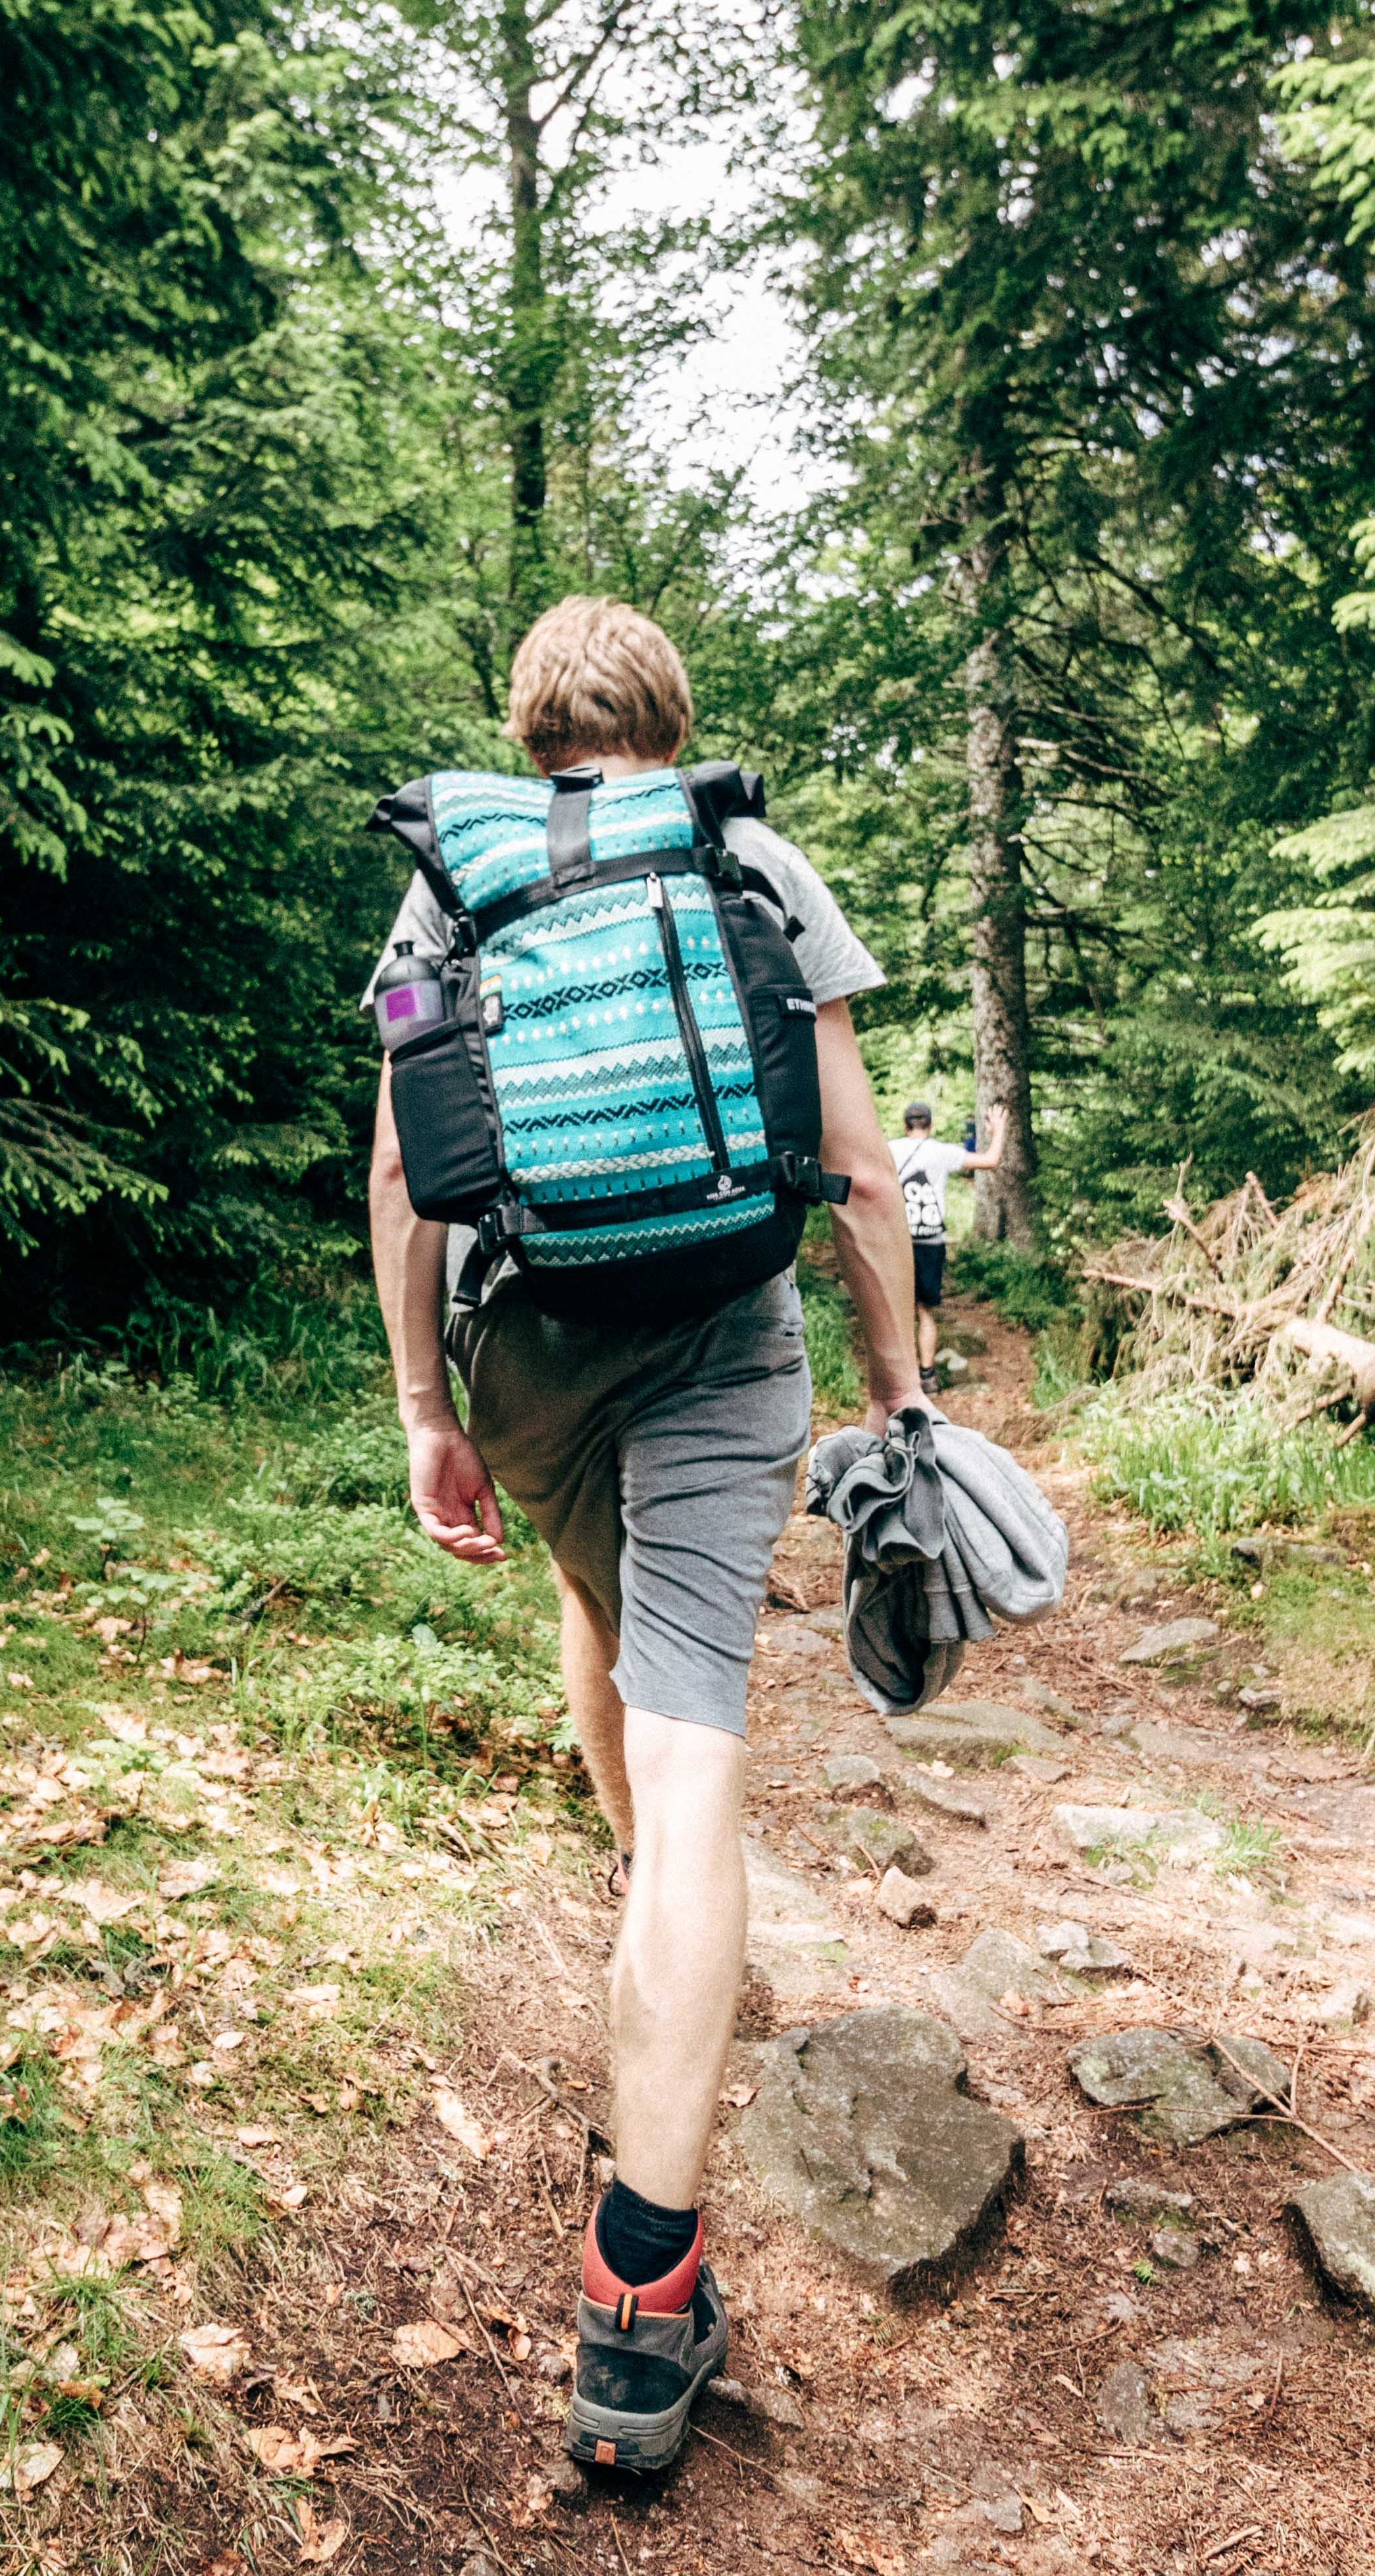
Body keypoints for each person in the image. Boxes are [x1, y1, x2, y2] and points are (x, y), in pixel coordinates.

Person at [366, 596, 930, 2475]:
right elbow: (854, 1162)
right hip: (716, 1335)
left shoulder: (452, 883)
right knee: (701, 1752)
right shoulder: (749, 855)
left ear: (526, 730)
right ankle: (639, 2297)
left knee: (587, 1589)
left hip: (527, 1341)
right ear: (672, 717)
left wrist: (427, 1411)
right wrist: (897, 1385)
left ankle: (636, 1894)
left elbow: (398, 1159)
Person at [886, 1100, 1003, 1386]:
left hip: (898, 1242)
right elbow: (990, 1161)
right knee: (925, 1311)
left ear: (905, 1125)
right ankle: (927, 1376)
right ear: (930, 1125)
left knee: (898, 1312)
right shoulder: (943, 1152)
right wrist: (997, 1130)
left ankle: (900, 1380)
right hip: (931, 1242)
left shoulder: (890, 1149)